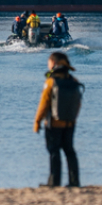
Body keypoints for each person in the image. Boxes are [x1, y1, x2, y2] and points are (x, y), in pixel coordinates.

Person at [33, 51, 84, 187]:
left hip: (53, 124)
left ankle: (54, 182)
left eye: (49, 62)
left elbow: (44, 103)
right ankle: (74, 181)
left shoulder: (51, 81)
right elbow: (78, 103)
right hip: (70, 123)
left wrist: (37, 121)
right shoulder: (73, 81)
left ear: (54, 63)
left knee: (54, 151)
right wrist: (73, 119)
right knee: (69, 151)